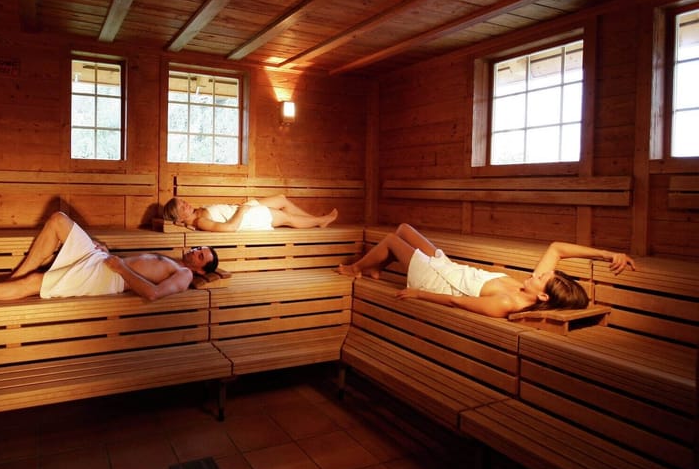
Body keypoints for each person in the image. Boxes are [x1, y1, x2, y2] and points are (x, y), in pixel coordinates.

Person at [337, 223, 636, 318]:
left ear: (544, 297)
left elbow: (456, 301)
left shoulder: (506, 303)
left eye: (542, 277)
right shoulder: (528, 288)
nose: (538, 273)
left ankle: (355, 269)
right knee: (404, 229)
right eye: (543, 272)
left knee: (392, 240)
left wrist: (418, 294)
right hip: (449, 268)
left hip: (436, 281)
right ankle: (377, 267)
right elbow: (557, 248)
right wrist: (608, 254)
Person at [0, 211, 218, 302]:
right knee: (58, 220)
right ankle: (13, 278)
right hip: (105, 263)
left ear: (201, 271)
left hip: (109, 279)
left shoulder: (184, 275)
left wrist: (120, 268)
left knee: (33, 283)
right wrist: (110, 254)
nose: (195, 252)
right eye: (198, 249)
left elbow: (153, 293)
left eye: (201, 256)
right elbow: (139, 266)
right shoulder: (174, 261)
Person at [162, 195, 338, 232]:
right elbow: (230, 228)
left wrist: (241, 207)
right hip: (245, 217)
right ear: (180, 217)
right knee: (287, 218)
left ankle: (316, 220)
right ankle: (320, 221)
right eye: (182, 207)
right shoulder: (200, 221)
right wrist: (242, 210)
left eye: (183, 201)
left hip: (242, 209)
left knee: (281, 199)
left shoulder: (197, 213)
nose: (186, 204)